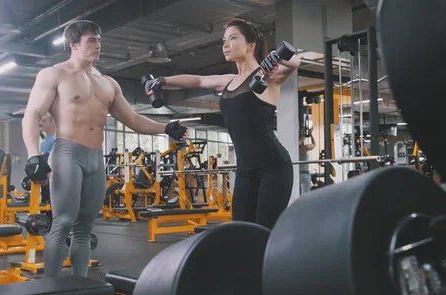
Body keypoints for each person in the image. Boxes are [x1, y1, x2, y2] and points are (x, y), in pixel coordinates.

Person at [21, 20, 189, 278]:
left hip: (95, 158)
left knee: (85, 228)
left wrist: (166, 128)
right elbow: (32, 114)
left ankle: (80, 287)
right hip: (67, 152)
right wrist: (34, 154)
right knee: (63, 223)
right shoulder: (54, 74)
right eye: (91, 40)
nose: (97, 45)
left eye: (99, 40)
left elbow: (133, 120)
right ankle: (49, 288)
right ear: (73, 44)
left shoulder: (108, 83)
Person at [144, 18, 301, 229]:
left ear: (251, 45)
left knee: (265, 233)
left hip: (273, 168)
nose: (226, 44)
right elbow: (198, 81)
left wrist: (276, 58)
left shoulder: (268, 76)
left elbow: (295, 63)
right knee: (241, 232)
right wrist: (163, 80)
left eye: (233, 38)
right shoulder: (228, 80)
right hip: (246, 171)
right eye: (224, 40)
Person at [38, 113, 56, 224]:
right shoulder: (44, 141)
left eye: (44, 121)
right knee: (46, 200)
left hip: (55, 177)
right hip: (46, 178)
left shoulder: (56, 139)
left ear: (52, 122)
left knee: (53, 203)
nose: (41, 123)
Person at [299, 129, 316, 194]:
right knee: (305, 194)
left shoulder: (293, 147)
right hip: (305, 174)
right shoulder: (304, 148)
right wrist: (311, 134)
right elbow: (314, 144)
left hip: (296, 174)